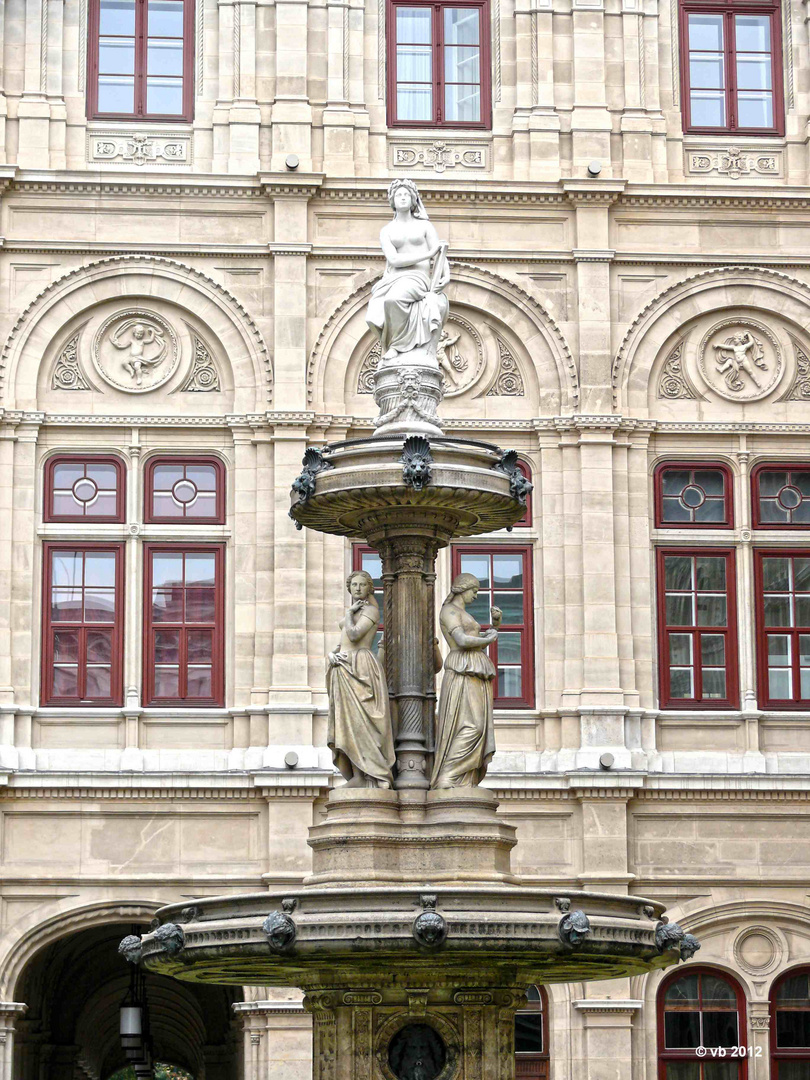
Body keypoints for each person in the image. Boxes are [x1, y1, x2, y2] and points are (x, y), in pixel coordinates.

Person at [431, 573, 502, 789]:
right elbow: (461, 640)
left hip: (473, 670)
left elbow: (474, 641)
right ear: (463, 588)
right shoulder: (449, 611)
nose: (476, 596)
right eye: (474, 591)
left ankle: (465, 778)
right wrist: (488, 638)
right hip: (463, 670)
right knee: (472, 726)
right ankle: (449, 775)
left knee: (477, 725)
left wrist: (495, 626)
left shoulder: (461, 612)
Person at [367, 178, 450, 361]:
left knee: (394, 298)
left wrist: (447, 273)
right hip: (394, 278)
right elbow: (394, 259)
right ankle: (396, 344)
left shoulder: (424, 225)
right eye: (398, 194)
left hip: (418, 279)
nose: (403, 198)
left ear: (413, 199)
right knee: (382, 304)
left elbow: (439, 253)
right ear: (392, 200)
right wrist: (427, 254)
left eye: (406, 194)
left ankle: (397, 345)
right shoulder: (387, 231)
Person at [327, 570, 395, 788]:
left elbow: (355, 635)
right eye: (353, 585)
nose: (357, 588)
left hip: (361, 667)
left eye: (362, 585)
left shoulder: (372, 611)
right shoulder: (356, 610)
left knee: (363, 722)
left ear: (369, 588)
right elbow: (344, 640)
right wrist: (333, 654)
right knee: (348, 723)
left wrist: (348, 614)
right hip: (344, 666)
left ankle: (371, 774)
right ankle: (357, 774)